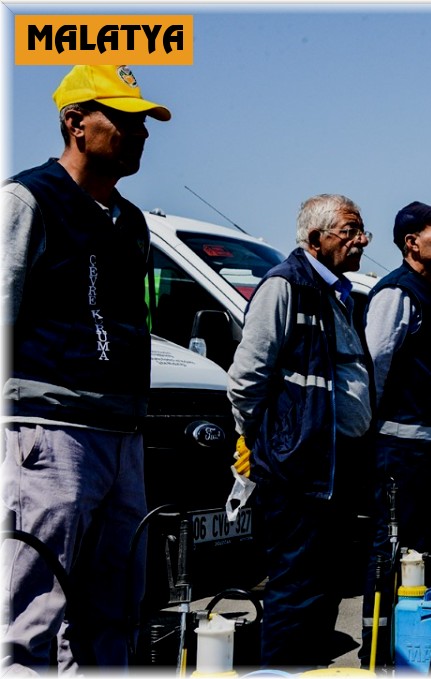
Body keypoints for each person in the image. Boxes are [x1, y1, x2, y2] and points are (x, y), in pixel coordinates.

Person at [1, 65, 170, 672]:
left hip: (121, 433)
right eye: (125, 120)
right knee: (36, 611)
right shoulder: (27, 200)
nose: (142, 133)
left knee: (116, 606)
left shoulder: (129, 221)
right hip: (50, 431)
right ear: (76, 122)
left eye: (144, 122)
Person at [227, 194, 373, 668]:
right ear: (316, 239)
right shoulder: (285, 287)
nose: (361, 240)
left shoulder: (339, 294)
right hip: (299, 468)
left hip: (336, 465)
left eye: (360, 231)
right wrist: (268, 444)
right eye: (349, 231)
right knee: (295, 585)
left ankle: (310, 670)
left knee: (326, 586)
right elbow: (246, 379)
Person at [361, 199, 431, 666]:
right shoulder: (396, 293)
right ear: (411, 243)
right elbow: (375, 366)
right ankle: (379, 655)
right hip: (403, 452)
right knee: (392, 554)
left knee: (430, 557)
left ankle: (419, 655)